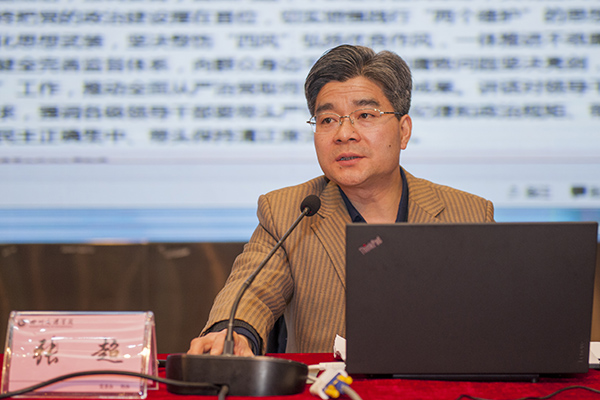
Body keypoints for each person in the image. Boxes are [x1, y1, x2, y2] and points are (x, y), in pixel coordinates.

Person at [188, 44, 494, 356]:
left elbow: (494, 324)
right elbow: (253, 290)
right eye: (327, 120)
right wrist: (233, 333)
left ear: (403, 131)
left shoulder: (469, 214)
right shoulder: (288, 212)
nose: (344, 133)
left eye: (365, 115)